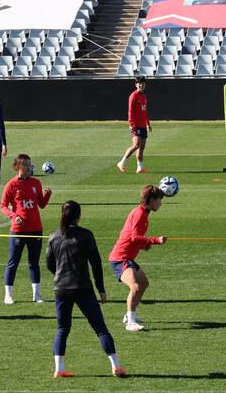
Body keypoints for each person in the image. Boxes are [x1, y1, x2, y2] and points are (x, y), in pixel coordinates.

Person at [46, 201, 126, 378]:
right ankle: (116, 366)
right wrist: (101, 289)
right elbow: (96, 264)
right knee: (100, 329)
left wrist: (60, 273)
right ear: (78, 216)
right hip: (83, 288)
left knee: (62, 329)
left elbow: (49, 264)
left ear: (61, 215)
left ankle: (59, 369)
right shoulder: (86, 235)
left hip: (61, 289)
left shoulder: (53, 236)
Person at [108, 185, 167, 331]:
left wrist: (143, 245)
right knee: (136, 286)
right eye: (159, 200)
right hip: (121, 257)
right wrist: (155, 240)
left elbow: (133, 238)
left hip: (128, 257)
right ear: (152, 200)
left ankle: (130, 316)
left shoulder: (144, 213)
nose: (160, 203)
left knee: (144, 283)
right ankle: (130, 323)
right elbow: (134, 237)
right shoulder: (140, 213)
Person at [0, 154, 52, 304]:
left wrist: (47, 196)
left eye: (30, 164)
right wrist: (13, 215)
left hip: (36, 229)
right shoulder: (11, 185)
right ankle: (8, 295)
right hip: (18, 230)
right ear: (17, 167)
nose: (29, 167)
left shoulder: (36, 183)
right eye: (25, 165)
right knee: (13, 261)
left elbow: (41, 204)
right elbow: (3, 205)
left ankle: (36, 294)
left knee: (34, 262)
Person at [117, 76, 151, 174]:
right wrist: (131, 123)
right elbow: (130, 111)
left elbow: (145, 112)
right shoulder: (133, 96)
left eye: (143, 83)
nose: (141, 85)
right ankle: (122, 162)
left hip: (143, 126)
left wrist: (148, 123)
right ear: (136, 85)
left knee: (142, 147)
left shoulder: (144, 97)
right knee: (136, 145)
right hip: (136, 125)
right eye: (139, 83)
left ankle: (139, 168)